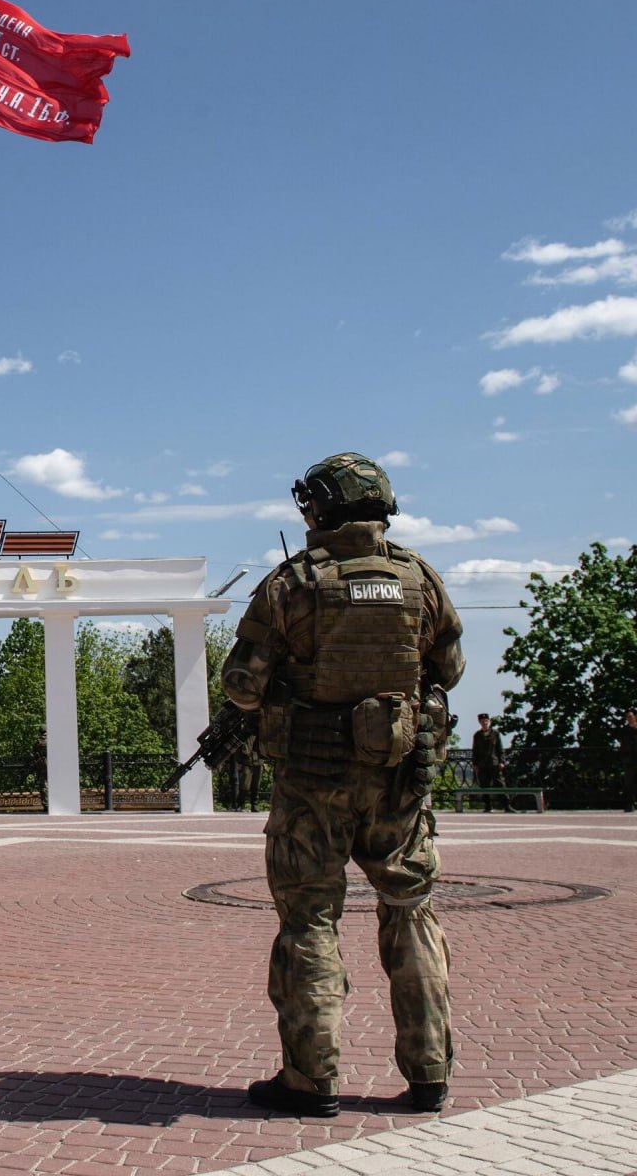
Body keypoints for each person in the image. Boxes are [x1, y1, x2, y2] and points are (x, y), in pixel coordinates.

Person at [221, 452, 465, 1118]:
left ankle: (312, 1077)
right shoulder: (419, 578)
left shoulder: (294, 584)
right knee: (412, 910)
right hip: (399, 782)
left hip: (313, 785)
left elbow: (241, 682)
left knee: (310, 919)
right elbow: (449, 664)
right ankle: (430, 1071)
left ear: (320, 508)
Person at [471, 713, 512, 813]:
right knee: (484, 785)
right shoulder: (477, 735)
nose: (484, 723)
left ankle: (506, 805)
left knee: (500, 784)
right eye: (482, 721)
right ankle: (487, 806)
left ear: (489, 722)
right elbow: (475, 750)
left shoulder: (495, 734)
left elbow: (500, 748)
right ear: (480, 722)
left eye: (486, 721)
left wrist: (502, 761)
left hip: (494, 763)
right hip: (482, 764)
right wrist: (475, 764)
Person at [620, 710, 637, 813]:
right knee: (629, 783)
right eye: (628, 717)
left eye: (631, 716)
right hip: (630, 760)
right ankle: (629, 804)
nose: (630, 718)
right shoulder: (625, 730)